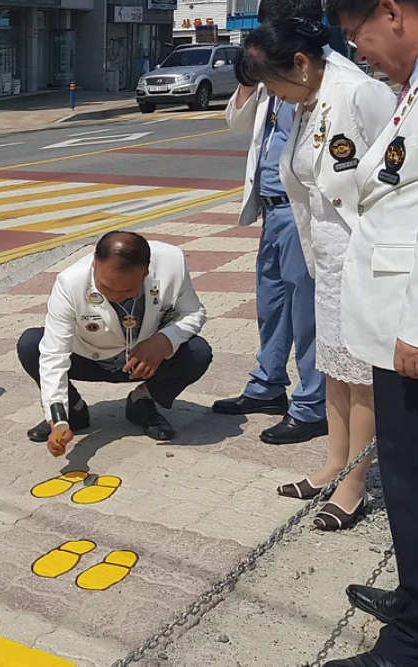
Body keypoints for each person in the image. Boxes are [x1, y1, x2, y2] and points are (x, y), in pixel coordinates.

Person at [238, 19, 396, 529]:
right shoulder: (307, 99)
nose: (270, 94)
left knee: (362, 376)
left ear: (301, 64)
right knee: (332, 366)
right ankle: (334, 462)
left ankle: (354, 484)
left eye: (271, 81)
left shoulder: (359, 93)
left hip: (364, 255)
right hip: (326, 255)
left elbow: (395, 182)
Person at [321, 0, 418, 662]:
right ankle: (413, 597)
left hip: (409, 328)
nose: (360, 52)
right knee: (408, 476)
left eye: (360, 38)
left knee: (411, 480)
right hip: (392, 324)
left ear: (392, 12)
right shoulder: (407, 90)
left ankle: (407, 642)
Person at [211, 0, 330, 445]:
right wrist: (247, 78)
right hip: (272, 208)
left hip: (302, 210)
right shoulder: (272, 72)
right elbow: (237, 121)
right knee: (272, 305)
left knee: (307, 313)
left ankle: (312, 403)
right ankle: (267, 385)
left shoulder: (315, 74)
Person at [17, 231, 212, 453]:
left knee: (198, 352)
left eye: (128, 291)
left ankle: (142, 402)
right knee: (31, 344)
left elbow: (193, 312)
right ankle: (73, 411)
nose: (116, 296)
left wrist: (164, 340)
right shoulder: (70, 282)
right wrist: (58, 421)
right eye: (105, 287)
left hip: (144, 364)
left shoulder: (172, 262)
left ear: (146, 273)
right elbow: (54, 354)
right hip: (90, 357)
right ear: (94, 265)